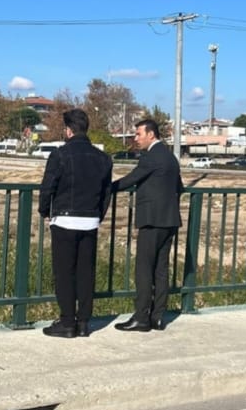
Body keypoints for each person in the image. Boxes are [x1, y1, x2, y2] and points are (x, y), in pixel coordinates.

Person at [37, 109, 113, 338]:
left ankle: (67, 322)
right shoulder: (103, 158)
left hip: (65, 219)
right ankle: (83, 322)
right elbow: (106, 192)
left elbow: (48, 186)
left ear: (68, 130)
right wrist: (97, 215)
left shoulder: (60, 154)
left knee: (64, 273)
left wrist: (45, 211)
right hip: (90, 221)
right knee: (85, 273)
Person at [111, 117, 183, 331]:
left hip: (152, 220)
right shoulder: (170, 158)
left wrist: (105, 188)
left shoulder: (150, 157)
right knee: (161, 269)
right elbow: (178, 186)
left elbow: (129, 180)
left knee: (143, 269)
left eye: (138, 134)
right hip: (170, 220)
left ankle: (141, 317)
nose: (135, 138)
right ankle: (158, 316)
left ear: (151, 134)